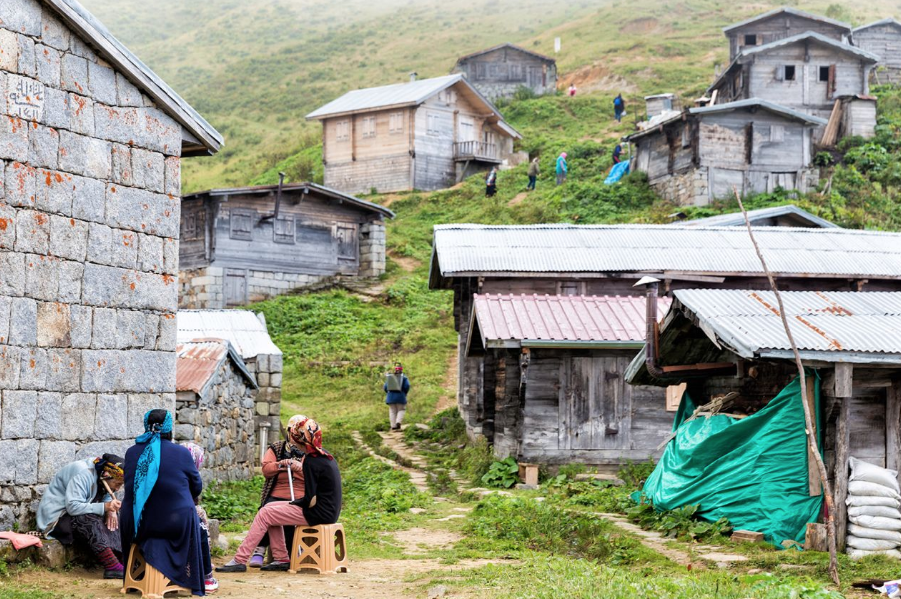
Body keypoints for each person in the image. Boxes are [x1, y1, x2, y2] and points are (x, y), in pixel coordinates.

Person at [217, 418, 342, 573]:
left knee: (266, 512)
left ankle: (240, 560)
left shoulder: (311, 461)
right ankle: (281, 558)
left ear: (300, 439)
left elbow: (309, 499)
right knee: (269, 508)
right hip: (329, 511)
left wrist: (293, 503)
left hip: (319, 513)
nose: (293, 444)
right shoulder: (324, 456)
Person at [120, 409, 206, 596]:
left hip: (138, 524)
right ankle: (197, 576)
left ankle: (136, 576)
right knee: (193, 516)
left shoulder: (132, 452)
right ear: (169, 429)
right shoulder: (182, 453)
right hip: (174, 523)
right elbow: (196, 487)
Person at [36, 454, 126, 579]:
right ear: (106, 475)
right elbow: (73, 507)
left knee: (118, 516)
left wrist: (111, 511)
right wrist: (105, 507)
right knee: (87, 518)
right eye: (117, 484)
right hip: (57, 520)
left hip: (73, 515)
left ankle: (122, 560)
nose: (117, 488)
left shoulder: (102, 476)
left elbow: (105, 494)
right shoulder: (83, 473)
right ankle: (112, 566)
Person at [246, 414, 306, 567]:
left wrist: (296, 468)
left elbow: (311, 474)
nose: (296, 437)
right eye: (294, 433)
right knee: (267, 509)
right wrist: (281, 465)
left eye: (300, 434)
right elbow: (266, 469)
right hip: (277, 492)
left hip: (299, 494)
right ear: (288, 431)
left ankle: (291, 553)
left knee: (288, 511)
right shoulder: (277, 447)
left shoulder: (309, 450)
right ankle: (260, 549)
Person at [180, 442, 218, 593]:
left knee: (200, 514)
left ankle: (203, 561)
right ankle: (205, 570)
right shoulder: (190, 476)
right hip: (179, 518)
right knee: (200, 518)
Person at [384, 362, 411, 431]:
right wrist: (404, 392)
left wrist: (389, 393)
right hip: (400, 396)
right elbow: (407, 386)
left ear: (395, 370)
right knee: (401, 410)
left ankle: (393, 426)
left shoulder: (390, 377)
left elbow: (385, 387)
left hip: (390, 397)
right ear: (402, 370)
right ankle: (398, 422)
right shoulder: (404, 378)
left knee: (392, 411)